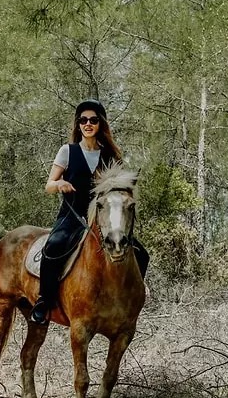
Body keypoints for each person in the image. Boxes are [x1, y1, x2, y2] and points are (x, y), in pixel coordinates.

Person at [30, 98, 149, 325]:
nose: (87, 124)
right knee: (54, 245)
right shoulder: (67, 151)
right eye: (83, 120)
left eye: (93, 120)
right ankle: (44, 300)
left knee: (142, 253)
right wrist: (59, 185)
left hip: (104, 218)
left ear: (100, 124)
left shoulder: (111, 156)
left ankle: (132, 298)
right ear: (78, 124)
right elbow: (48, 184)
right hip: (72, 215)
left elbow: (120, 190)